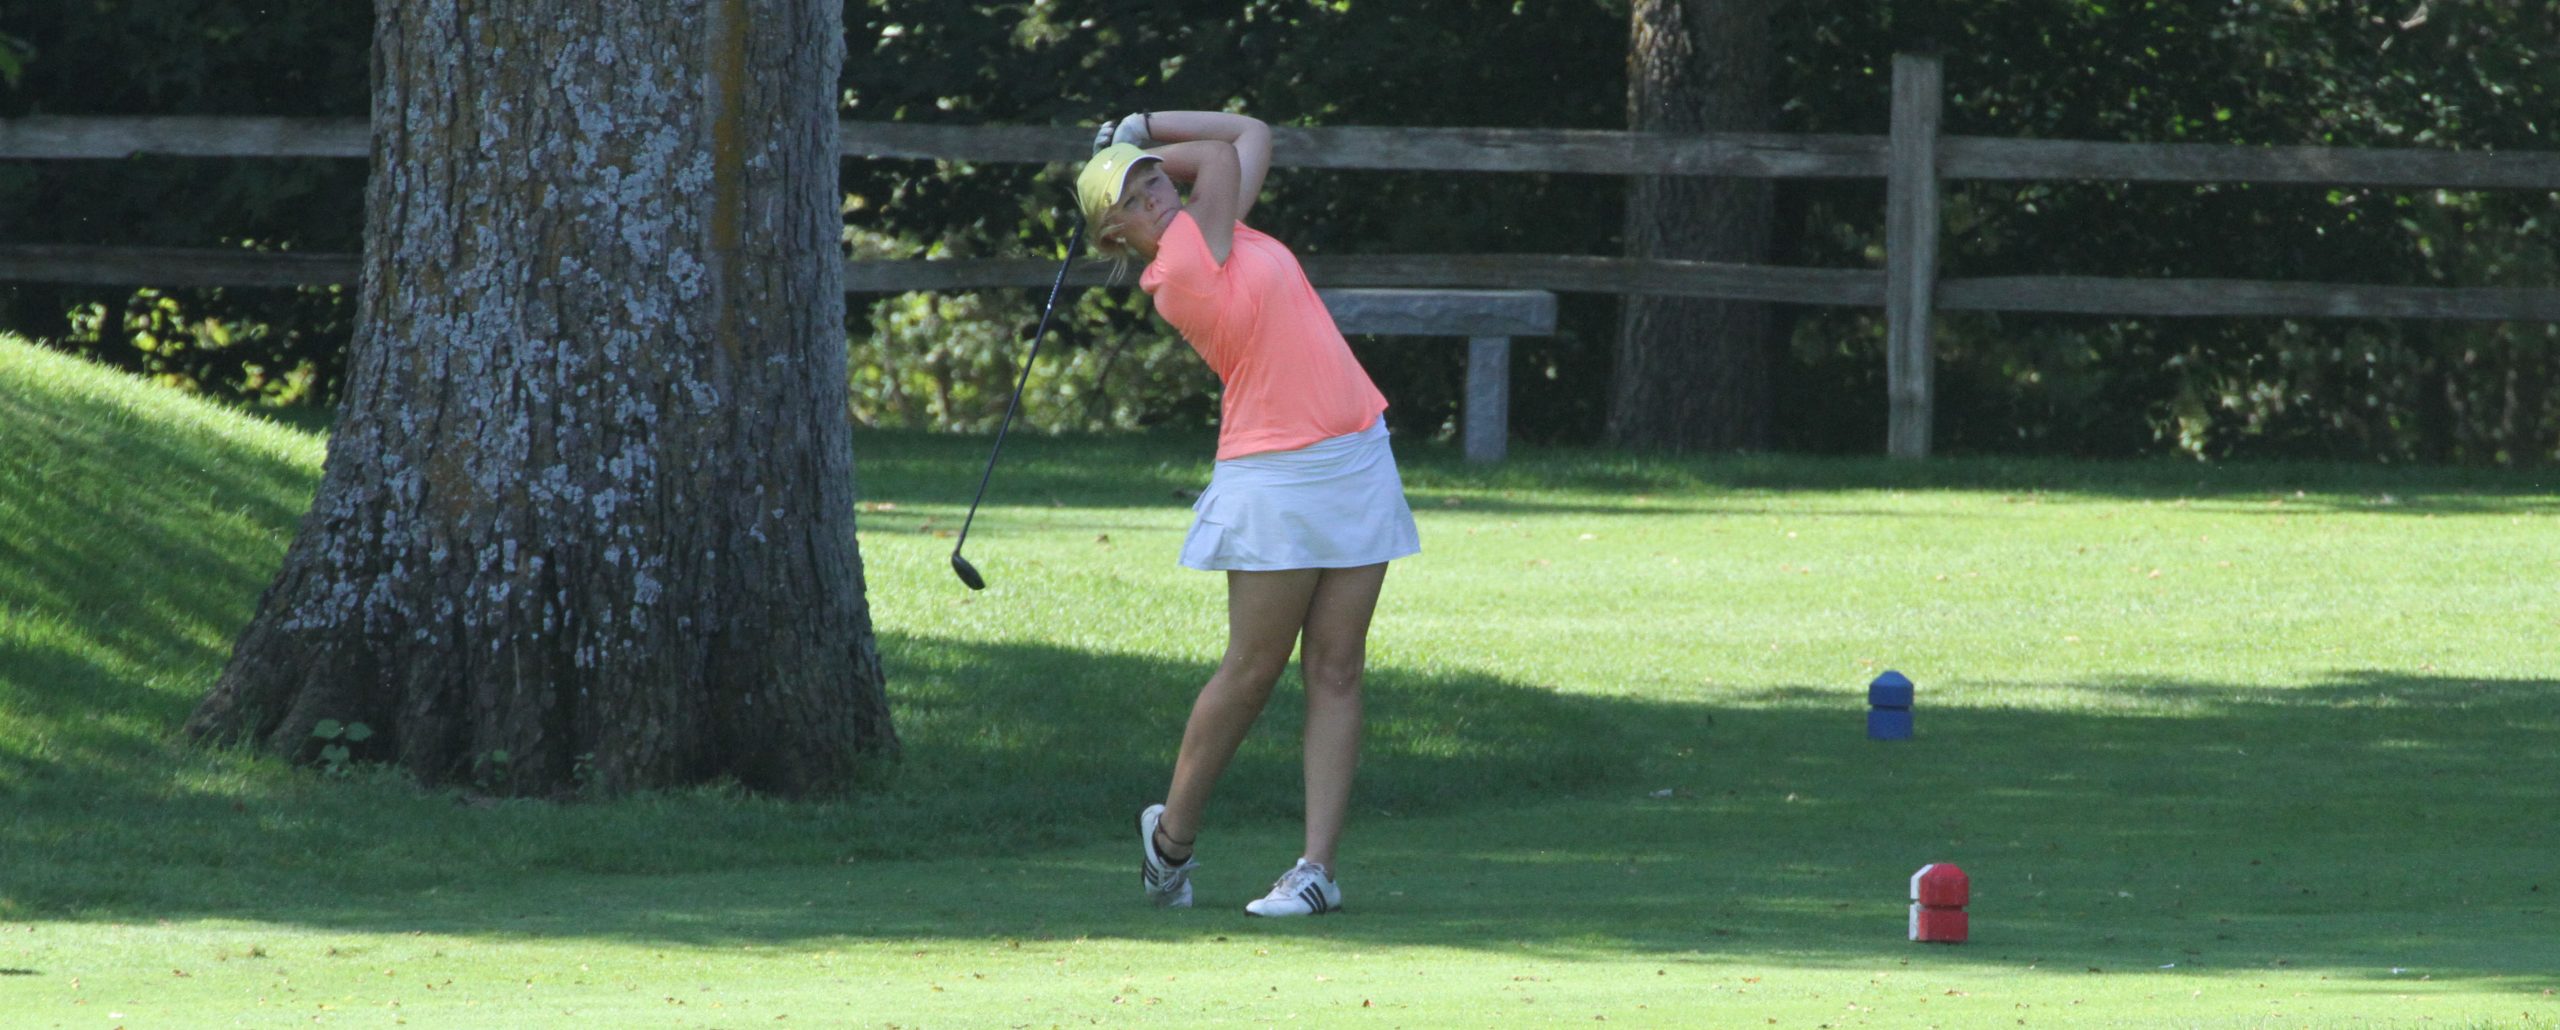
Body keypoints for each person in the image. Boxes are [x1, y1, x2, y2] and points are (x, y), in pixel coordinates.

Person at [1075, 111, 1420, 917]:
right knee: (1253, 670)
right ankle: (1171, 842)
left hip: (1358, 453)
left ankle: (1317, 870)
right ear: (1115, 236)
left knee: (1338, 667)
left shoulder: (1214, 226)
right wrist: (1151, 145)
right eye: (1132, 195)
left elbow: (1252, 133)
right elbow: (1220, 157)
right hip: (1275, 478)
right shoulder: (1183, 267)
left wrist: (1140, 126)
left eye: (1153, 180)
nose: (1153, 191)